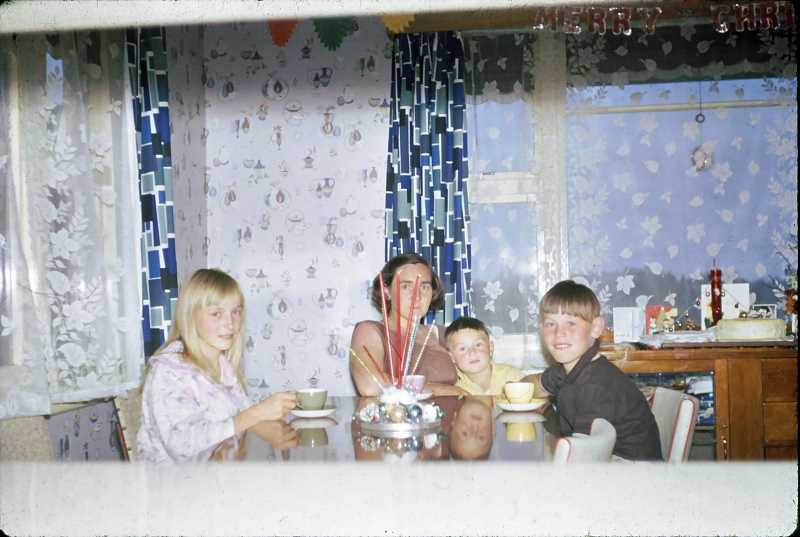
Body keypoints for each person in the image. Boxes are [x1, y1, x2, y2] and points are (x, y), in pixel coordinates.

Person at [137, 268, 298, 463]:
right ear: (190, 316)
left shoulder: (222, 365)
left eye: (235, 312)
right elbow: (183, 447)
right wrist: (256, 413)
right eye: (216, 314)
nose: (230, 323)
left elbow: (242, 419)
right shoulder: (168, 371)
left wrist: (267, 417)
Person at [526, 280, 662, 461]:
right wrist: (526, 395)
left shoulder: (595, 387)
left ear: (596, 328)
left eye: (571, 323)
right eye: (551, 324)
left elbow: (581, 458)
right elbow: (533, 385)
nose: (559, 333)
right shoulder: (570, 369)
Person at [349, 253, 463, 396]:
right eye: (406, 286)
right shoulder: (370, 331)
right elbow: (370, 385)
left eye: (424, 287)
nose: (417, 296)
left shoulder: (444, 334)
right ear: (386, 291)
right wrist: (442, 390)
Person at [445, 316, 523, 396]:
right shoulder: (458, 389)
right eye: (462, 349)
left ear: (491, 348)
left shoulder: (511, 375)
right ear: (452, 357)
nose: (472, 352)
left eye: (478, 345)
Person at [449, 396, 495, 460]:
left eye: (465, 433)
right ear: (493, 429)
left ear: (454, 420)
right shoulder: (507, 404)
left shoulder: (450, 392)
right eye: (481, 437)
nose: (475, 427)